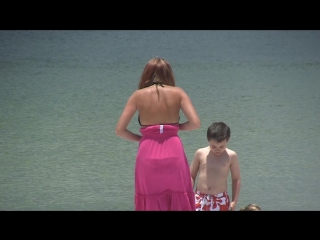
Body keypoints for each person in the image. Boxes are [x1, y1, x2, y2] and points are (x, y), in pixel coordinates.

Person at [115, 57, 201, 211]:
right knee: (179, 195)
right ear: (169, 74)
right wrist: (175, 128)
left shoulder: (138, 95)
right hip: (173, 148)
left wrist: (142, 138)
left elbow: (120, 130)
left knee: (149, 196)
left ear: (146, 73)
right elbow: (195, 123)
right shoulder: (178, 93)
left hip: (147, 150)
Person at [190, 122, 241, 211]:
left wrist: (234, 201)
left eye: (222, 146)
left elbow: (236, 179)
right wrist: (189, 195)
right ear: (208, 140)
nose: (217, 149)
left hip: (220, 199)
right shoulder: (200, 153)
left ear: (227, 141)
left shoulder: (231, 156)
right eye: (213, 146)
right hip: (199, 197)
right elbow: (191, 176)